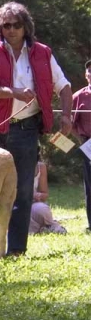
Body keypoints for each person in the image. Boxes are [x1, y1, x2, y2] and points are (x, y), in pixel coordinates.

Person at [0, 1, 72, 259]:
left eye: (17, 25)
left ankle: (16, 248)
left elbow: (64, 86)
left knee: (23, 190)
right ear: (0, 28)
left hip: (27, 128)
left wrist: (68, 117)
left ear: (26, 27)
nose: (12, 29)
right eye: (6, 25)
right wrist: (13, 92)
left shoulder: (42, 53)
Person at [72, 60, 91, 232]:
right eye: (90, 71)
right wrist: (82, 141)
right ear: (86, 75)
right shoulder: (79, 97)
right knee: (90, 184)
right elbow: (71, 124)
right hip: (88, 144)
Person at [29, 160, 67, 235]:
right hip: (14, 206)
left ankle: (48, 226)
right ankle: (41, 228)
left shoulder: (40, 167)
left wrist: (37, 195)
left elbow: (44, 194)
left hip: (32, 204)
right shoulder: (9, 164)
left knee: (42, 209)